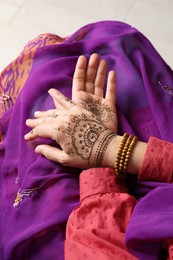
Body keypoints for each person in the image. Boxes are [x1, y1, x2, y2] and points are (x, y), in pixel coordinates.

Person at [1, 20, 173, 260]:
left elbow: (96, 251)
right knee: (117, 43)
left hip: (102, 232)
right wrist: (114, 147)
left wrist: (101, 158)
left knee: (49, 82)